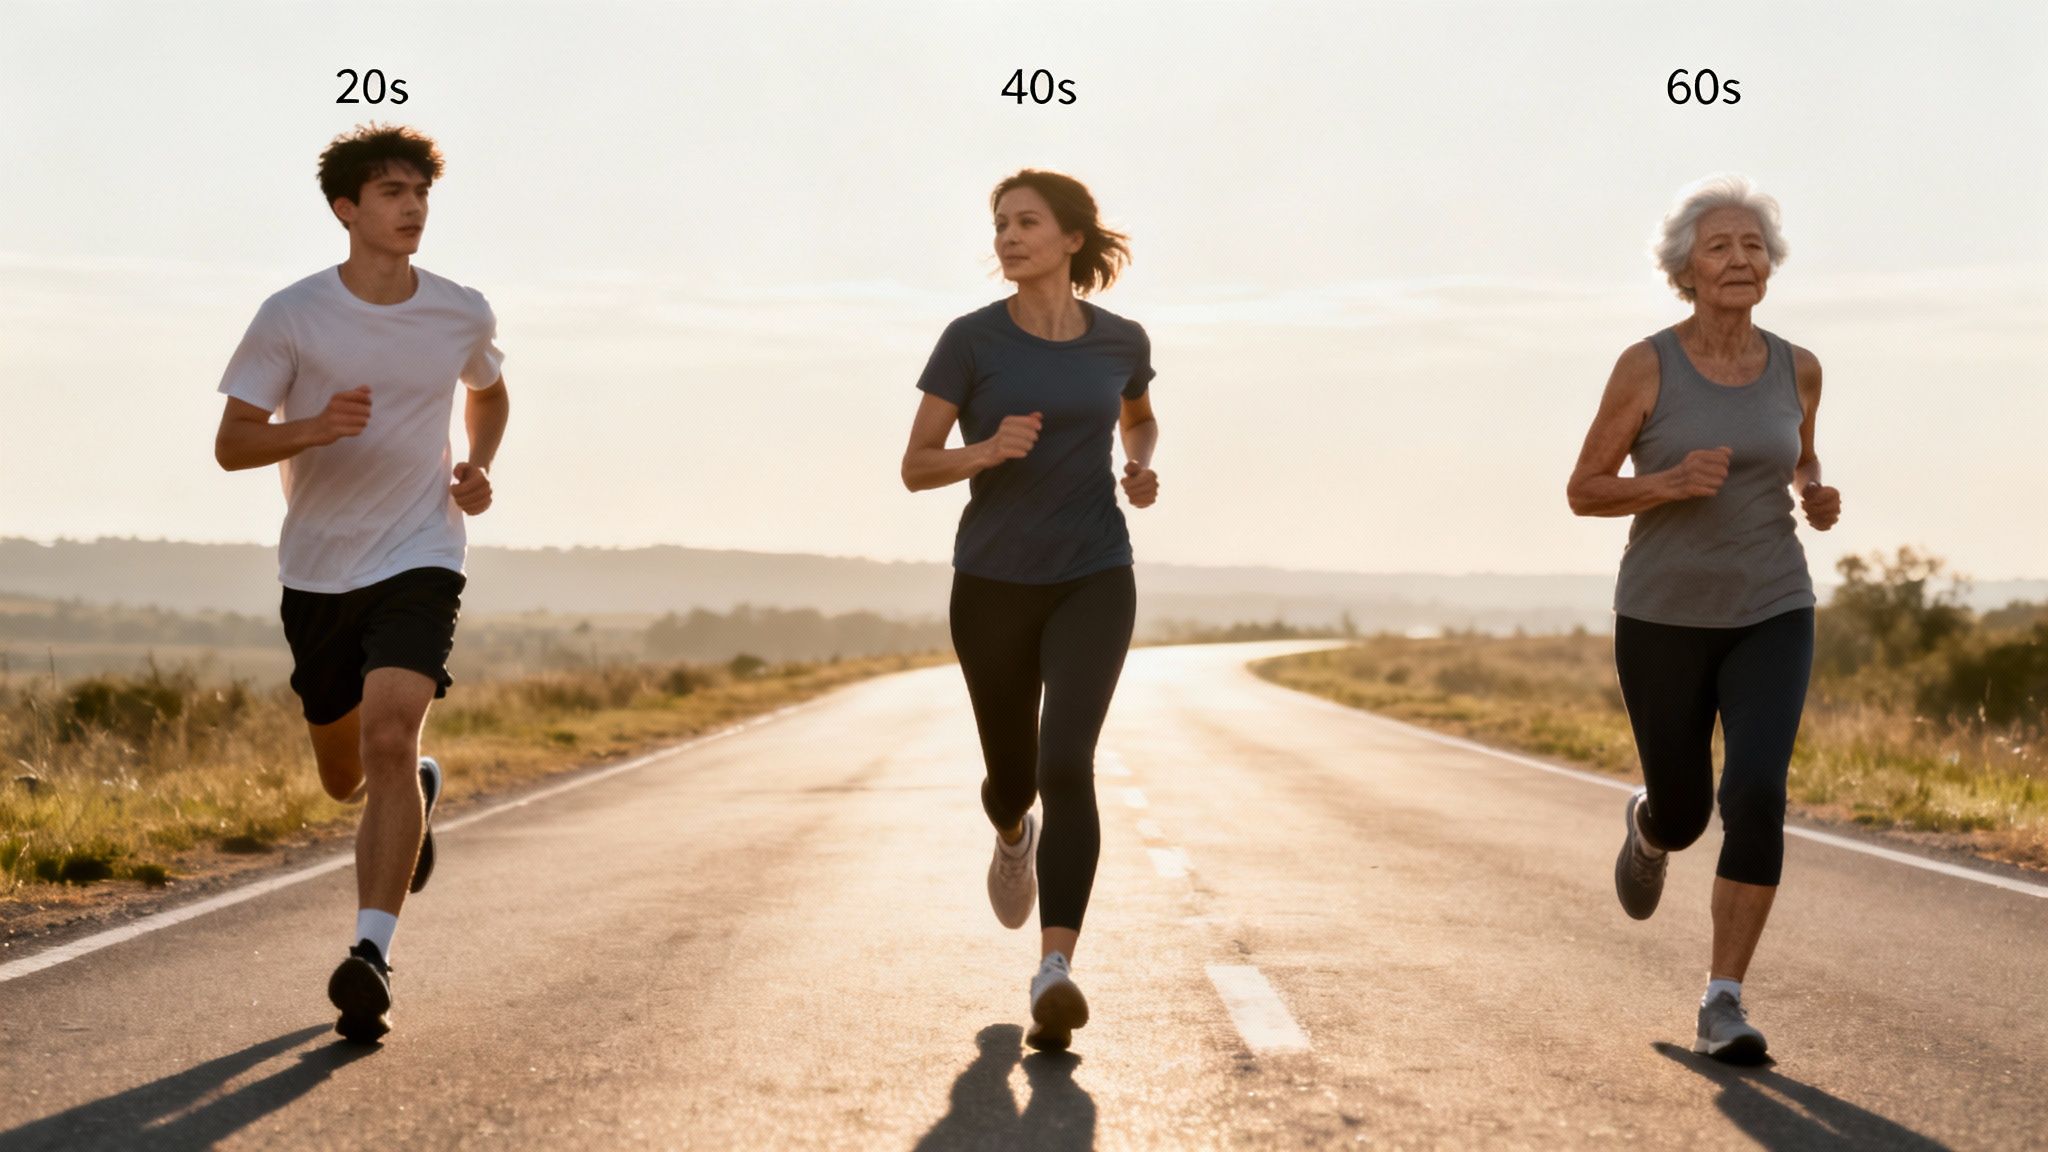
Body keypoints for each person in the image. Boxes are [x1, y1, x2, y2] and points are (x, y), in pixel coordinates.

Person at [213, 123, 509, 1043]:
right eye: (390, 192)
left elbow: (488, 392)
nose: (411, 206)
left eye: (420, 190)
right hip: (318, 571)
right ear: (347, 209)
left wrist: (477, 465)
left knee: (389, 731)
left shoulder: (461, 311)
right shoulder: (293, 314)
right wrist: (310, 430)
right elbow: (232, 443)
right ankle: (411, 786)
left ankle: (369, 953)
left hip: (422, 551)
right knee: (349, 774)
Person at [1567, 174, 1842, 1064]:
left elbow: (1799, 457)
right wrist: (1667, 483)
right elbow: (1584, 490)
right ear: (1685, 270)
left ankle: (1723, 999)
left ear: (1771, 267)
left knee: (1756, 793)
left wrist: (1815, 491)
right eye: (1720, 247)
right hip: (1663, 614)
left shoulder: (1799, 365)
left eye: (1753, 246)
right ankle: (1651, 826)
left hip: (1774, 604)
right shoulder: (1648, 365)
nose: (1740, 258)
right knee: (1687, 810)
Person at [901, 169, 1160, 1052]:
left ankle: (1056, 968)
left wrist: (1140, 462)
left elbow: (1139, 415)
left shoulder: (1120, 340)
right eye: (1000, 224)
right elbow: (915, 464)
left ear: (1072, 240)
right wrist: (987, 449)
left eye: (1026, 223)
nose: (1008, 237)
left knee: (1067, 761)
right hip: (993, 584)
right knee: (1014, 778)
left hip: (1095, 572)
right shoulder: (971, 342)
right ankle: (1011, 832)